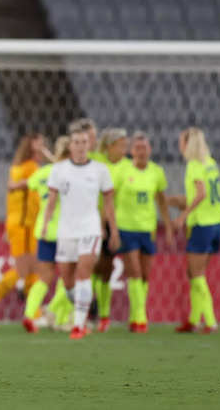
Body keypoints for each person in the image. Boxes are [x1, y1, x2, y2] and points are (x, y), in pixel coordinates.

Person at [41, 126, 119, 340]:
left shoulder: (100, 170)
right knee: (66, 279)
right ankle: (84, 306)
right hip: (66, 230)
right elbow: (52, 201)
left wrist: (113, 230)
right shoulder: (59, 170)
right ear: (70, 145)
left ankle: (78, 325)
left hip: (90, 229)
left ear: (89, 145)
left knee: (84, 274)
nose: (81, 146)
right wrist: (46, 224)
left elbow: (109, 203)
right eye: (76, 142)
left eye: (84, 142)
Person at [0, 133, 49, 329]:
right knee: (23, 269)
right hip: (26, 225)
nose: (44, 149)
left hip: (19, 224)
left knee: (31, 269)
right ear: (32, 148)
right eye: (41, 145)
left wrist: (9, 225)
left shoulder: (17, 168)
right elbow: (34, 200)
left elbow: (14, 199)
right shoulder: (31, 168)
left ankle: (34, 313)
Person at [114, 131, 173, 333]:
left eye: (144, 148)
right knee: (135, 272)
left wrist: (168, 225)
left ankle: (134, 315)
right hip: (127, 227)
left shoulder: (156, 172)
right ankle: (141, 317)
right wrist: (112, 227)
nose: (141, 151)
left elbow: (161, 200)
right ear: (132, 151)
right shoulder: (122, 172)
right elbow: (110, 199)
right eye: (137, 148)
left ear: (150, 150)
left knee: (146, 275)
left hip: (148, 228)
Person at [170, 128, 220, 334]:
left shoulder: (193, 165)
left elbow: (201, 193)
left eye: (180, 141)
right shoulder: (210, 163)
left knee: (197, 273)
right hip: (216, 223)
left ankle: (210, 321)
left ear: (187, 144)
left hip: (202, 224)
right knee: (193, 272)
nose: (179, 145)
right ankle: (194, 320)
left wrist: (183, 216)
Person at [22, 136, 75, 333]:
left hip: (44, 230)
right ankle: (58, 315)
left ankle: (29, 314)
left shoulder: (43, 173)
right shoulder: (73, 174)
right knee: (69, 276)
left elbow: (28, 185)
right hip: (66, 230)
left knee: (44, 277)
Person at [92, 128, 130, 332]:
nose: (125, 149)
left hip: (110, 222)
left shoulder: (126, 167)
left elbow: (111, 199)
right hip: (87, 220)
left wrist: (109, 228)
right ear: (109, 146)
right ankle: (71, 312)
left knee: (106, 269)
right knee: (85, 267)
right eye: (121, 145)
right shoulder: (95, 160)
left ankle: (103, 316)